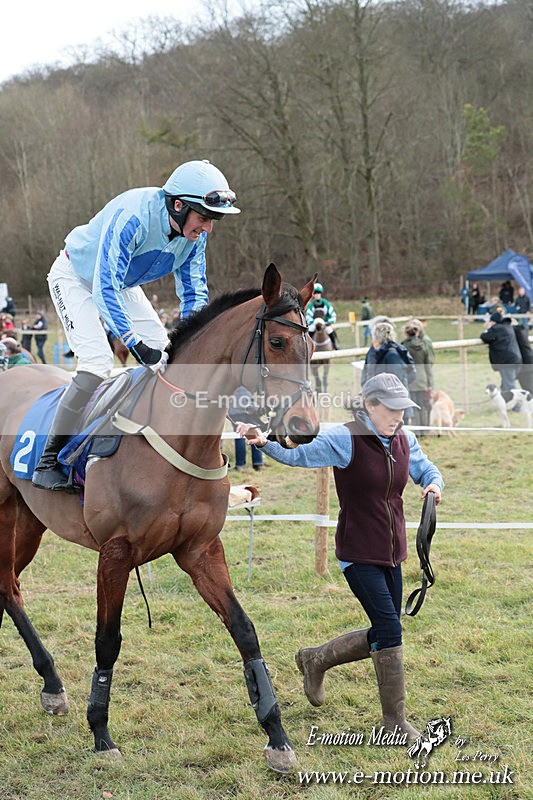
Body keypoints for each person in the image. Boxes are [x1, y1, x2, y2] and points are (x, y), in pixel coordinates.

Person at [236, 372, 443, 742]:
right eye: (391, 409)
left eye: (402, 409)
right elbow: (296, 453)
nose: (399, 416)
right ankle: (394, 722)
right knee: (391, 630)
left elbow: (426, 468)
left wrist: (432, 484)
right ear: (370, 405)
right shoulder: (343, 437)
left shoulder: (405, 439)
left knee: (386, 628)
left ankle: (316, 660)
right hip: (358, 551)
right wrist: (263, 442)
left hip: (393, 551)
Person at [32, 159, 240, 492]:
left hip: (123, 284)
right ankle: (49, 458)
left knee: (169, 358)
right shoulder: (133, 215)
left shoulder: (194, 238)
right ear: (178, 205)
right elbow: (104, 287)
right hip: (76, 277)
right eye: (203, 218)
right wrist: (133, 343)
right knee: (98, 364)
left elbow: (195, 295)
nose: (208, 228)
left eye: (212, 220)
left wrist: (194, 344)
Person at [362, 321, 416, 419]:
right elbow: (367, 376)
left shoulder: (393, 356)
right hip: (378, 404)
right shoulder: (373, 353)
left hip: (394, 408)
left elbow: (397, 384)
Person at [402, 320, 434, 434]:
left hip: (410, 379)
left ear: (406, 334)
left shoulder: (403, 347)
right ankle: (425, 430)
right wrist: (430, 383)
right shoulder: (423, 345)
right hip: (423, 378)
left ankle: (416, 432)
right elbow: (428, 366)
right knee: (423, 405)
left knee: (413, 406)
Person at [480, 312, 522, 392]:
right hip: (515, 359)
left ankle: (513, 404)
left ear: (493, 322)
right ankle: (506, 402)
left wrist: (488, 329)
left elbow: (485, 337)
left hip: (506, 361)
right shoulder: (508, 326)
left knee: (509, 385)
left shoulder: (496, 328)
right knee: (507, 384)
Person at [306, 283, 339, 349]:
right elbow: (308, 316)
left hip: (325, 323)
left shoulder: (326, 303)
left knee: (329, 330)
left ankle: (334, 345)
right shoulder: (311, 305)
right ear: (313, 294)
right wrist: (312, 322)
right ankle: (307, 346)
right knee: (310, 330)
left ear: (320, 294)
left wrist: (330, 322)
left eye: (318, 293)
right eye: (315, 293)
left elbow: (333, 314)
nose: (317, 295)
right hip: (314, 324)